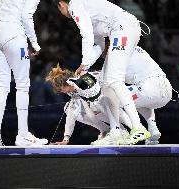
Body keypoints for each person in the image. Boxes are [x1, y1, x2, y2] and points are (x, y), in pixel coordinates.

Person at [53, 0, 151, 144]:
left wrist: (85, 62)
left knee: (114, 80)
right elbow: (99, 43)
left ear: (62, 4)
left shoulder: (75, 5)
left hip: (123, 29)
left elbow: (86, 36)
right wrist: (85, 65)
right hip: (124, 29)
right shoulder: (87, 10)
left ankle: (137, 127)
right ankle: (115, 132)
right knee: (107, 82)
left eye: (60, 10)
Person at [46, 46, 172, 145]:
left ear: (68, 82)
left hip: (122, 92)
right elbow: (73, 112)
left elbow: (104, 91)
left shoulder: (84, 79)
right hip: (153, 88)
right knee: (84, 109)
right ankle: (139, 129)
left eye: (63, 90)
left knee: (106, 103)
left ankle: (129, 129)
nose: (64, 93)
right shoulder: (75, 87)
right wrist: (66, 138)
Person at [0, 0, 47, 146]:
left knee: (2, 84)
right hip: (13, 34)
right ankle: (22, 136)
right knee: (22, 86)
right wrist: (34, 43)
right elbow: (25, 16)